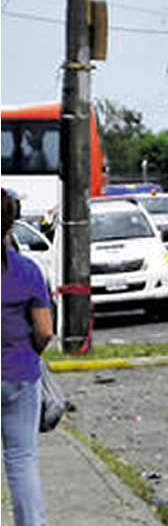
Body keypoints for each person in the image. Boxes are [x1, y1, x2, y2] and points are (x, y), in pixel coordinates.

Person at [2, 188, 53, 526]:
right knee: (22, 460)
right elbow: (45, 330)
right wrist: (29, 352)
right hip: (19, 374)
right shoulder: (27, 270)